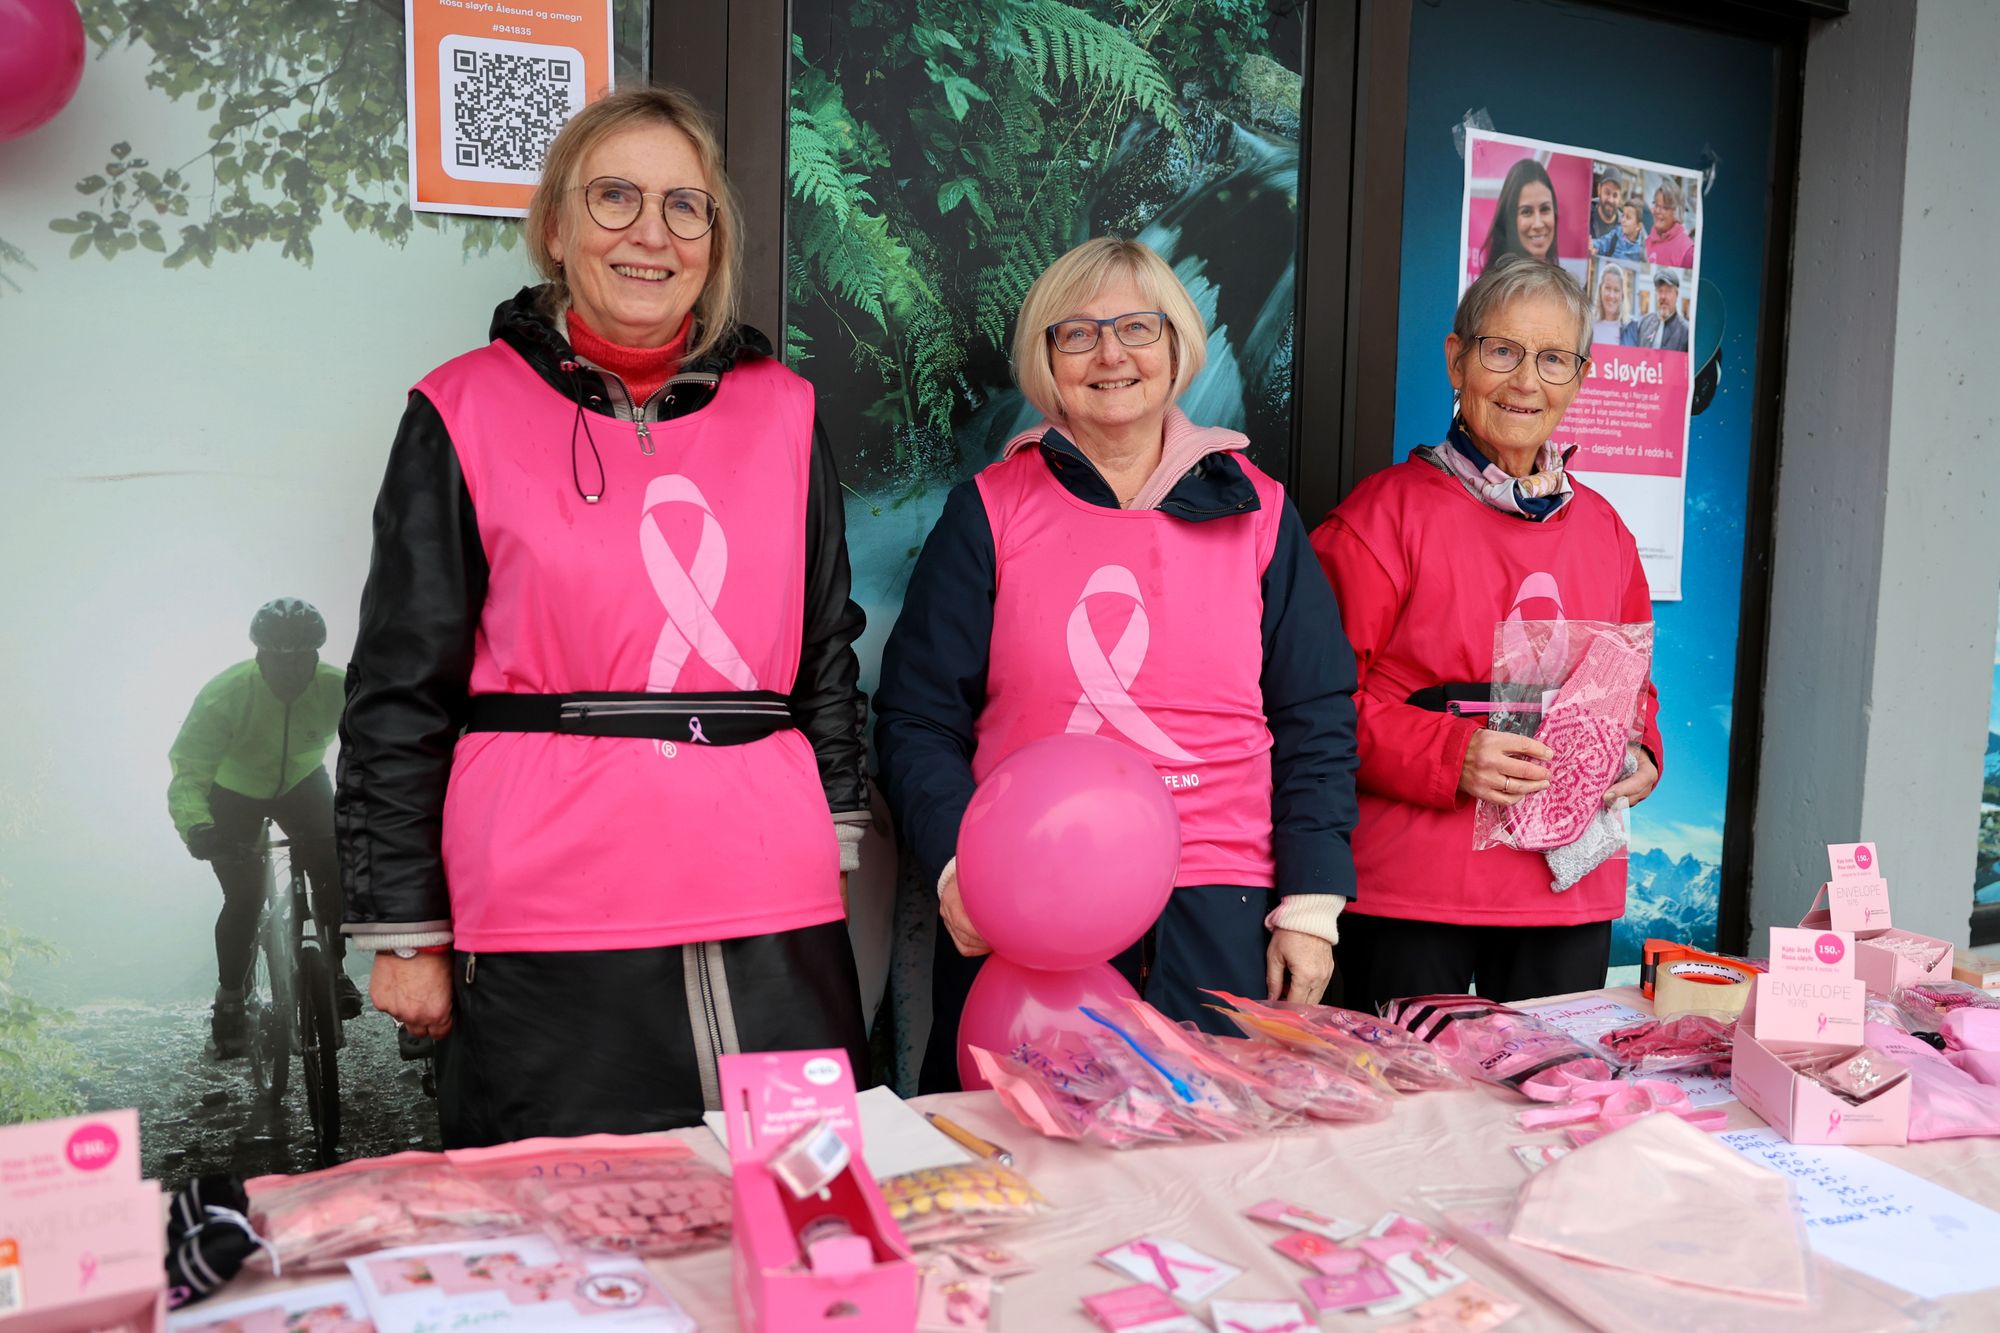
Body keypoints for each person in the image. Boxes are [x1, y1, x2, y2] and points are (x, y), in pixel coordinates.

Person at [335, 87, 871, 1145]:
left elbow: (824, 642)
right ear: (555, 226)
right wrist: (405, 925)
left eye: (684, 206)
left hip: (768, 888)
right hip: (550, 898)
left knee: (795, 1197)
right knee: (571, 1223)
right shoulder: (459, 410)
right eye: (614, 196)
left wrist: (836, 822)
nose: (649, 233)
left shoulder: (787, 411)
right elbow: (402, 684)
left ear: (713, 242)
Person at [876, 237, 1360, 1093]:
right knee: (1020, 1161)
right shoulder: (988, 511)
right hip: (1029, 897)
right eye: (1079, 333)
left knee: (1203, 1156)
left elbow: (1314, 713)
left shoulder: (1260, 515)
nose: (1112, 354)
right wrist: (959, 864)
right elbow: (917, 716)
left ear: (1177, 348)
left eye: (1138, 328)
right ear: (1046, 360)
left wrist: (1313, 903)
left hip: (1219, 901)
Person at [1309, 255, 1663, 1014]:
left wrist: (1642, 753)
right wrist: (1449, 753)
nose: (1525, 381)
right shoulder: (1381, 520)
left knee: (1548, 1111)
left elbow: (1633, 686)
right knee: (1408, 1115)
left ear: (1581, 376)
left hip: (1565, 892)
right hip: (1415, 895)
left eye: (1552, 359)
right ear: (1456, 358)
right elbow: (1312, 706)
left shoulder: (1606, 531)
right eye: (1501, 351)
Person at [169, 597, 357, 1057]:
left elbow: (375, 746)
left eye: (302, 658)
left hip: (301, 782)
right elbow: (189, 771)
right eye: (279, 659)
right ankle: (231, 999)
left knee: (334, 870)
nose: (292, 671)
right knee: (245, 898)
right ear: (259, 656)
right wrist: (199, 829)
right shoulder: (225, 695)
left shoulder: (340, 687)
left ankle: (332, 968)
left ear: (317, 654)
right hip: (233, 792)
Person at [1481, 158, 1560, 268]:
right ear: (1509, 220)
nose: (1538, 224)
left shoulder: (1560, 280)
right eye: (1526, 212)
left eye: (1545, 209)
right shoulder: (1501, 283)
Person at [1622, 270, 1690, 352]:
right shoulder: (1644, 322)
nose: (1663, 296)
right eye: (1660, 291)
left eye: (1668, 291)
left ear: (1676, 294)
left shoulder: (1686, 331)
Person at [1644, 179, 1695, 267]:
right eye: (1656, 205)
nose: (1657, 211)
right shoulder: (1647, 242)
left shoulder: (1688, 252)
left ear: (1677, 212)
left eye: (1665, 207)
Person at [1591, 264, 1629, 346]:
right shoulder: (1589, 325)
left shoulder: (1631, 328)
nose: (1611, 295)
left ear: (1622, 294)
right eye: (1607, 288)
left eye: (1616, 290)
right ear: (1600, 289)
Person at [1588, 172, 1624, 241]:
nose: (1610, 200)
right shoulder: (1585, 215)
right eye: (1607, 193)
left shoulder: (1625, 228)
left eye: (1615, 195)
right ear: (1599, 189)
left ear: (1620, 198)